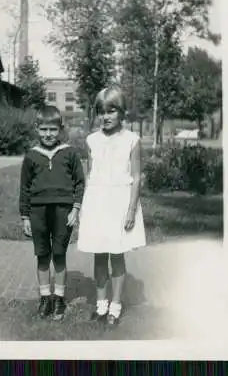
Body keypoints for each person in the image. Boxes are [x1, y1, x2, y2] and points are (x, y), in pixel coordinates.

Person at [77, 85, 146, 326]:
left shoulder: (132, 140)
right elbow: (90, 175)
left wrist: (131, 210)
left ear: (122, 112)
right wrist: (85, 206)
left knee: (116, 255)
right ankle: (101, 303)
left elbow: (136, 177)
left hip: (120, 202)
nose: (105, 117)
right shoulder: (91, 140)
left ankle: (115, 306)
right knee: (99, 254)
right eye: (101, 111)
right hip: (97, 202)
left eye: (111, 111)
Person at [19, 105, 85, 320]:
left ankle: (59, 299)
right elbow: (25, 188)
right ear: (37, 129)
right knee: (42, 255)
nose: (48, 134)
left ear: (60, 129)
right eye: (44, 129)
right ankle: (45, 298)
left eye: (53, 130)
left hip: (63, 210)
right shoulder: (31, 156)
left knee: (59, 254)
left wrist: (75, 208)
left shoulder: (69, 153)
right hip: (38, 211)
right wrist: (25, 216)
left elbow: (79, 183)